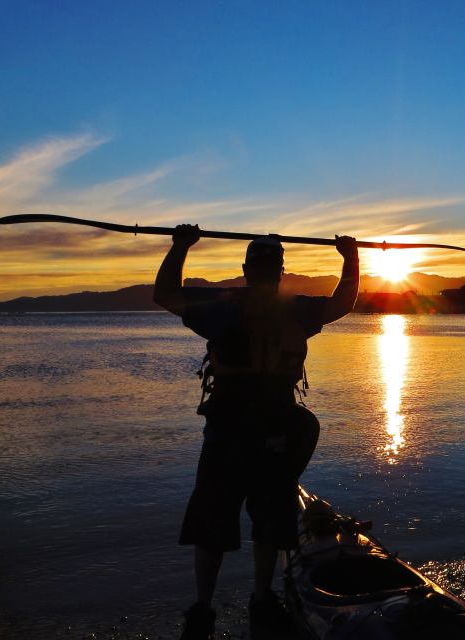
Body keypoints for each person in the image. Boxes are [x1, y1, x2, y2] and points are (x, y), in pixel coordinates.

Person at [153, 224, 359, 638]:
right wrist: (350, 258)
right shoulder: (294, 309)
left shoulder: (221, 308)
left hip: (231, 432)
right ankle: (257, 600)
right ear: (279, 272)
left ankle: (208, 609)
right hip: (271, 430)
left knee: (227, 521)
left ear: (247, 270)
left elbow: (165, 295)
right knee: (267, 518)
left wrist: (180, 247)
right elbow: (342, 303)